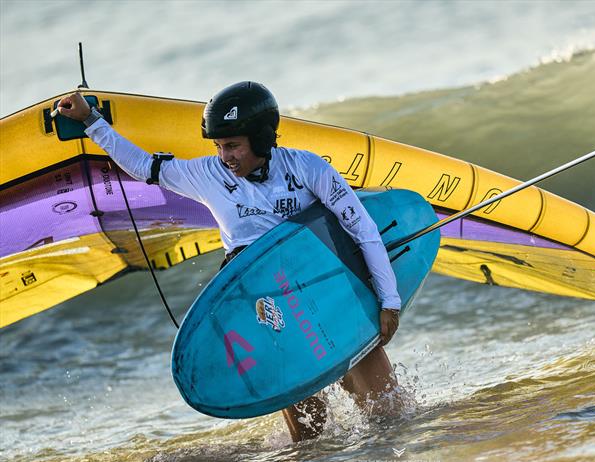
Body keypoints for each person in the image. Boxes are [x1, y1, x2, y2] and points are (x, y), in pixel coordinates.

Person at [55, 81, 403, 442]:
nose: (225, 156)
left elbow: (360, 227)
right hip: (264, 304)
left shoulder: (306, 168)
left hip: (324, 288)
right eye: (220, 146)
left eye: (233, 145)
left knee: (391, 417)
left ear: (263, 138)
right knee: (311, 440)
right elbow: (143, 166)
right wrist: (91, 121)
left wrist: (388, 300)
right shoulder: (208, 175)